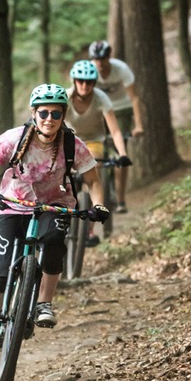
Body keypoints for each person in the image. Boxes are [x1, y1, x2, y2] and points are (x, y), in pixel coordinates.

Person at [0, 83, 109, 351]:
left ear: (63, 116)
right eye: (44, 113)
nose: (49, 120)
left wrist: (99, 205)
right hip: (12, 204)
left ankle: (44, 303)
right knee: (0, 268)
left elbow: (93, 179)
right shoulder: (15, 138)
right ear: (34, 114)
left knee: (54, 242)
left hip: (54, 205)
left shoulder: (72, 144)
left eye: (56, 114)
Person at [65, 60, 131, 244]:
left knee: (93, 167)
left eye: (89, 82)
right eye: (80, 81)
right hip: (70, 140)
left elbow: (115, 130)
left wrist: (123, 154)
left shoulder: (101, 98)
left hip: (94, 142)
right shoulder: (66, 97)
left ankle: (89, 230)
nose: (85, 85)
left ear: (95, 82)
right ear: (74, 81)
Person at [87, 40, 144, 213]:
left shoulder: (121, 69)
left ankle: (120, 200)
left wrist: (138, 125)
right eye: (96, 59)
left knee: (120, 154)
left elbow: (134, 98)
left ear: (109, 57)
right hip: (99, 111)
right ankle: (95, 197)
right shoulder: (89, 70)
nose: (100, 63)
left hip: (121, 110)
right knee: (95, 151)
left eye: (103, 59)